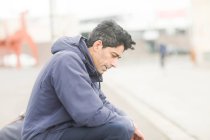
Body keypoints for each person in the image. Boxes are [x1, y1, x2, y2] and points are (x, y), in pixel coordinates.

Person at [22, 20, 144, 140]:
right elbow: (90, 114)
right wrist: (127, 125)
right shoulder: (67, 61)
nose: (115, 64)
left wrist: (130, 122)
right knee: (119, 129)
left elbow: (102, 103)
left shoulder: (87, 66)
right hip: (44, 135)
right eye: (113, 55)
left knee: (122, 126)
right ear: (97, 45)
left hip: (61, 130)